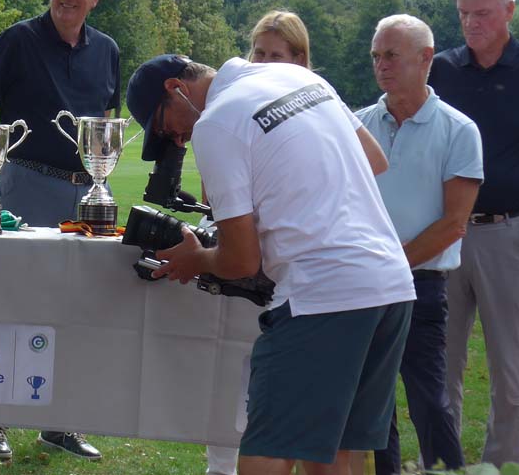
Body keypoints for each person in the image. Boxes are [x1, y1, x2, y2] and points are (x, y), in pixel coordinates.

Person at [125, 53, 415, 475]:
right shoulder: (296, 75)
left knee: (267, 449)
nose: (176, 139)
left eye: (165, 125)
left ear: (176, 88)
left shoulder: (215, 123)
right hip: (390, 283)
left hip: (322, 293)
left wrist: (197, 259)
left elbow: (241, 260)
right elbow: (374, 160)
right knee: (332, 450)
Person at [0, 0, 119, 461]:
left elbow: (107, 125)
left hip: (88, 194)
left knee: (77, 308)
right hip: (26, 184)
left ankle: (60, 422)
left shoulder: (108, 50)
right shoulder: (18, 40)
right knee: (14, 304)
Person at [428, 0, 519, 467]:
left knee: (510, 373)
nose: (471, 22)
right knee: (440, 367)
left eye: (482, 12)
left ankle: (502, 467)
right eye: (463, 13)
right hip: (445, 234)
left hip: (511, 233)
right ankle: (449, 465)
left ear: (510, 11)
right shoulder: (443, 71)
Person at [356, 14, 483, 474]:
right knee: (375, 406)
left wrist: (393, 263)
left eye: (391, 55)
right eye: (376, 56)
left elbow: (453, 223)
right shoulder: (358, 125)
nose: (381, 65)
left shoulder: (458, 130)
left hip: (421, 286)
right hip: (363, 287)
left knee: (430, 401)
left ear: (425, 58)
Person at [204, 8, 316, 475]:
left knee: (284, 409)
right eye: (259, 53)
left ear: (300, 61)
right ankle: (219, 462)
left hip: (298, 275)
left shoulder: (316, 105)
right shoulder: (237, 109)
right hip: (254, 270)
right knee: (230, 371)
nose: (265, 63)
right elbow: (217, 199)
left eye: (277, 56)